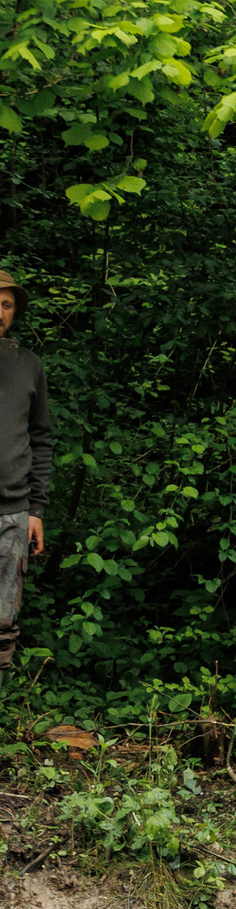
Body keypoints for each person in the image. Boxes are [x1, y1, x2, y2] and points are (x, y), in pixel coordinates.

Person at [0, 269, 49, 670]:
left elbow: (41, 439)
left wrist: (36, 510)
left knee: (2, 622)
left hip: (13, 514)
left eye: (6, 304)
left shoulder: (29, 365)